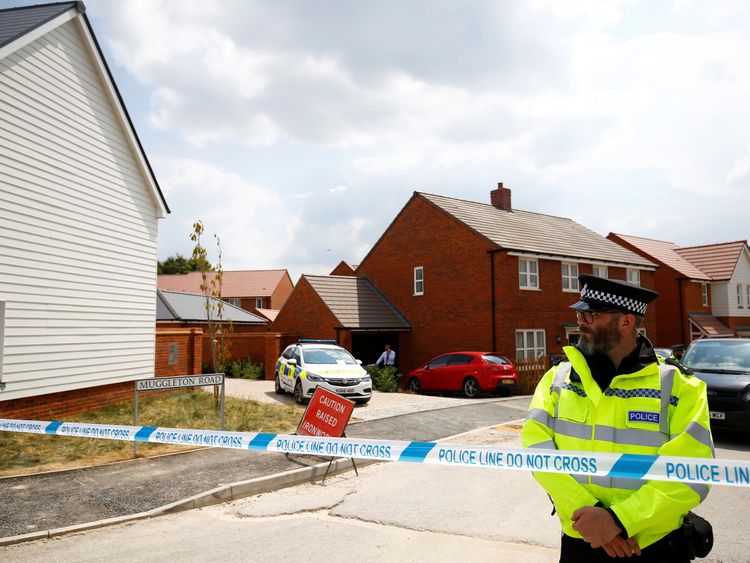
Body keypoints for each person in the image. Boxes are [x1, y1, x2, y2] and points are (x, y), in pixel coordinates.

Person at [522, 274, 714, 562]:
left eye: (591, 314)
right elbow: (536, 451)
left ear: (626, 322)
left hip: (653, 545)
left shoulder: (679, 386)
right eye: (579, 313)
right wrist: (592, 519)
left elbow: (692, 473)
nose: (580, 321)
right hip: (581, 538)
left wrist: (620, 520)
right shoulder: (557, 379)